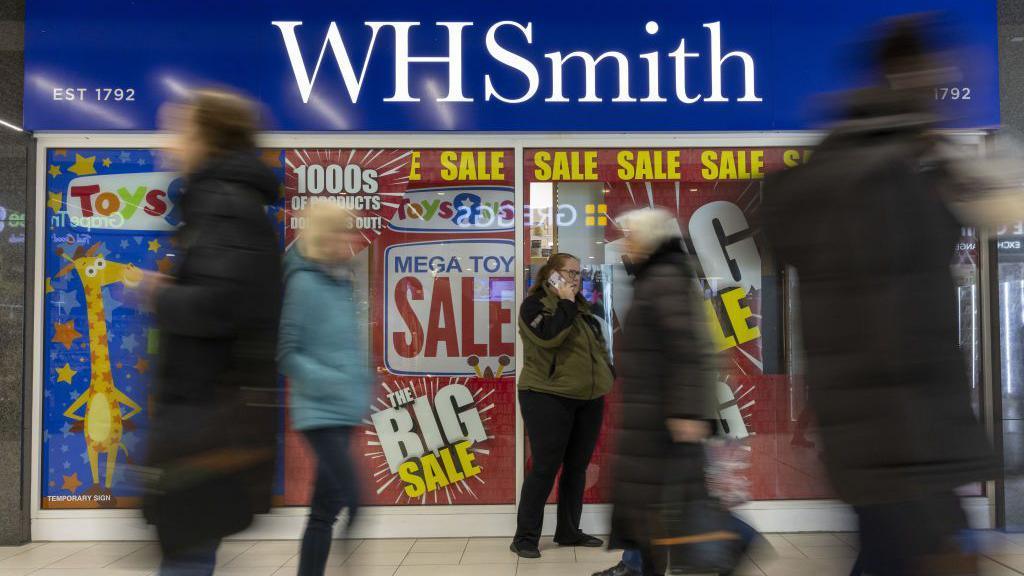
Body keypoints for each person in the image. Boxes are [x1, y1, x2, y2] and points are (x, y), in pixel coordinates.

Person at [762, 16, 994, 576]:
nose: (951, 88)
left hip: (877, 445)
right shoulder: (883, 178)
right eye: (941, 74)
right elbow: (892, 329)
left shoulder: (859, 166)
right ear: (909, 75)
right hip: (904, 448)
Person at [141, 89, 283, 576]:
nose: (170, 141)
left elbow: (222, 305)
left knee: (187, 554)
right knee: (190, 551)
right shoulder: (221, 203)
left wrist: (158, 294)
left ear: (206, 135)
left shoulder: (223, 203)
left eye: (179, 127)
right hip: (207, 415)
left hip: (206, 419)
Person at [593, 208, 718, 576]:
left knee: (659, 515)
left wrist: (687, 413)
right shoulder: (655, 278)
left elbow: (689, 350)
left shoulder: (664, 280)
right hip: (650, 419)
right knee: (650, 516)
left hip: (663, 425)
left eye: (629, 236)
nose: (624, 245)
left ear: (648, 241)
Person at [278, 203, 371, 576]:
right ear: (321, 235)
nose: (347, 240)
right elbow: (287, 353)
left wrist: (361, 383)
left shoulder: (339, 281)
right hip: (318, 412)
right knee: (354, 500)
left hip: (343, 409)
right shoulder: (302, 282)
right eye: (339, 231)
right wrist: (333, 381)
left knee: (324, 511)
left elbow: (346, 346)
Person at [512, 252, 615, 558]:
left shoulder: (582, 309)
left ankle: (568, 531)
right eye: (570, 272)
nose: (576, 278)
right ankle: (525, 537)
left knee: (576, 468)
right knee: (545, 468)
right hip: (546, 395)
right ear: (552, 274)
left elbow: (598, 347)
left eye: (579, 274)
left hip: (588, 397)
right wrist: (566, 302)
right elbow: (549, 337)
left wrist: (608, 374)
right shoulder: (534, 306)